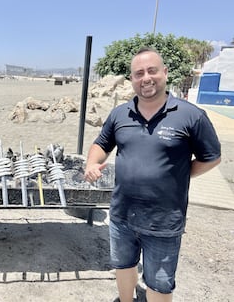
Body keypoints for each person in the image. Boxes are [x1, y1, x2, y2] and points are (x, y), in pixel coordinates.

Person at [84, 47, 221, 302]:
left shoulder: (191, 115)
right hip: (121, 214)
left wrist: (180, 174)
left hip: (164, 221)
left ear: (165, 73)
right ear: (132, 79)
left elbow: (211, 157)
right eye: (138, 73)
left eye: (152, 71)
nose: (145, 77)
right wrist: (92, 163)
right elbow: (101, 144)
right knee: (123, 265)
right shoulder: (120, 114)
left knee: (159, 282)